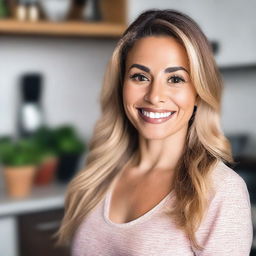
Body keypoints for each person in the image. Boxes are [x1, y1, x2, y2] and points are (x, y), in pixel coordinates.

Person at [55, 9, 253, 255]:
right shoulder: (99, 175)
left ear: (199, 93)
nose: (154, 96)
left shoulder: (221, 191)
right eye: (140, 76)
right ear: (121, 85)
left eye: (176, 79)